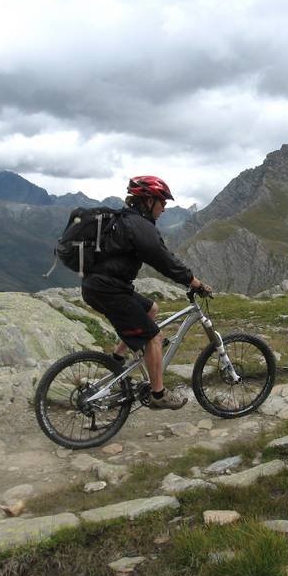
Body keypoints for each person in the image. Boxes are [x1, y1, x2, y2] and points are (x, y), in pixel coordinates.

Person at [81, 175, 212, 410]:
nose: (164, 209)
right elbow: (165, 261)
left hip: (102, 286)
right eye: (162, 203)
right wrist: (195, 282)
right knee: (153, 337)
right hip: (109, 290)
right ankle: (158, 395)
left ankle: (117, 360)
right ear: (149, 201)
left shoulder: (126, 220)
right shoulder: (140, 227)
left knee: (151, 309)